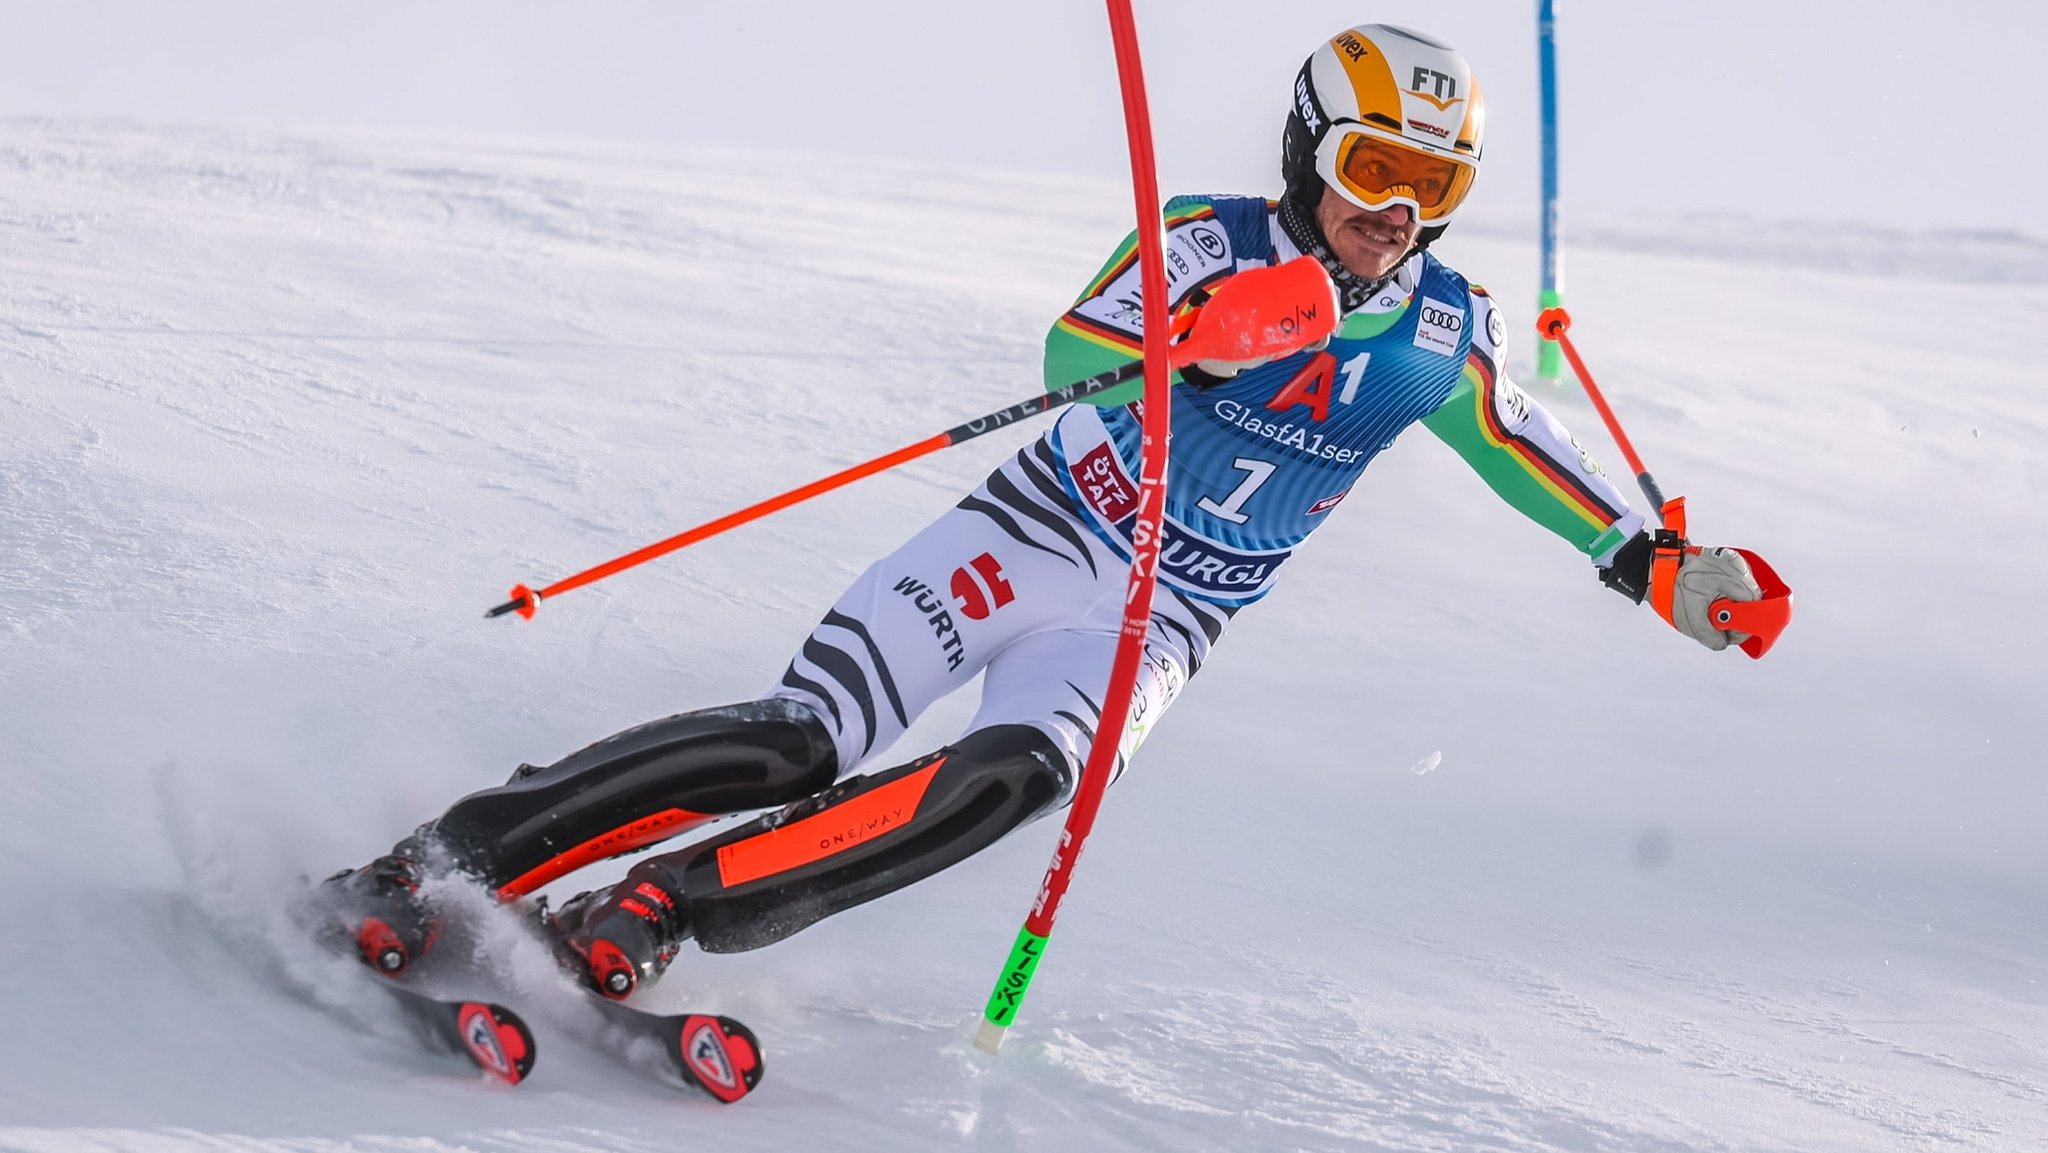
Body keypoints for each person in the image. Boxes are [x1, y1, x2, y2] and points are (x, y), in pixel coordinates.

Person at [318, 24, 1774, 999]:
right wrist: (1212, 325)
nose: (1391, 211)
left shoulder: (1442, 331)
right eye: (1371, 171)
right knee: (802, 738)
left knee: (1007, 784)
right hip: (1033, 537)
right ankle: (438, 858)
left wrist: (1658, 564)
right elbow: (1071, 355)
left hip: (1161, 618)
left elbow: (1527, 448)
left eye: (1427, 185)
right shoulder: (1204, 236)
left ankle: (656, 907)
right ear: (1312, 154)